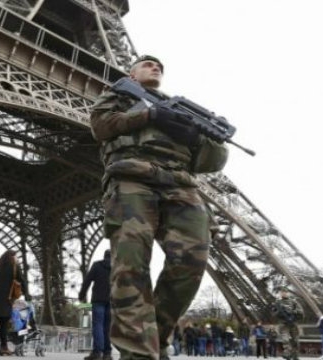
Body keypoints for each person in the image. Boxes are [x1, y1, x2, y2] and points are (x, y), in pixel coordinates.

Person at [89, 54, 229, 360]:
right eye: (148, 64)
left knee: (192, 263)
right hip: (132, 178)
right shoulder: (119, 95)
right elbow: (100, 127)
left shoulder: (183, 112)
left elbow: (213, 162)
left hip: (181, 184)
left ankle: (156, 337)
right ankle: (139, 354)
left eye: (160, 67)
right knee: (131, 266)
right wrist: (148, 117)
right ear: (132, 72)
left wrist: (198, 137)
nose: (156, 67)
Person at [78, 249, 113, 360]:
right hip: (112, 301)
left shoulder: (97, 265)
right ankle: (107, 353)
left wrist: (82, 295)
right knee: (107, 327)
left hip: (98, 300)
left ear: (104, 256)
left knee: (98, 325)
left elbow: (87, 281)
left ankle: (97, 352)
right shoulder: (117, 268)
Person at [272, 288, 304, 360]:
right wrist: (278, 313)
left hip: (293, 323)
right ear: (280, 293)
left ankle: (295, 355)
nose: (283, 293)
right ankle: (287, 352)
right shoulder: (278, 303)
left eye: (285, 292)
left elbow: (301, 311)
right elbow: (273, 314)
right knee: (285, 339)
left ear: (288, 293)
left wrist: (292, 312)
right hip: (283, 324)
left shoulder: (293, 302)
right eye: (282, 292)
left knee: (295, 341)